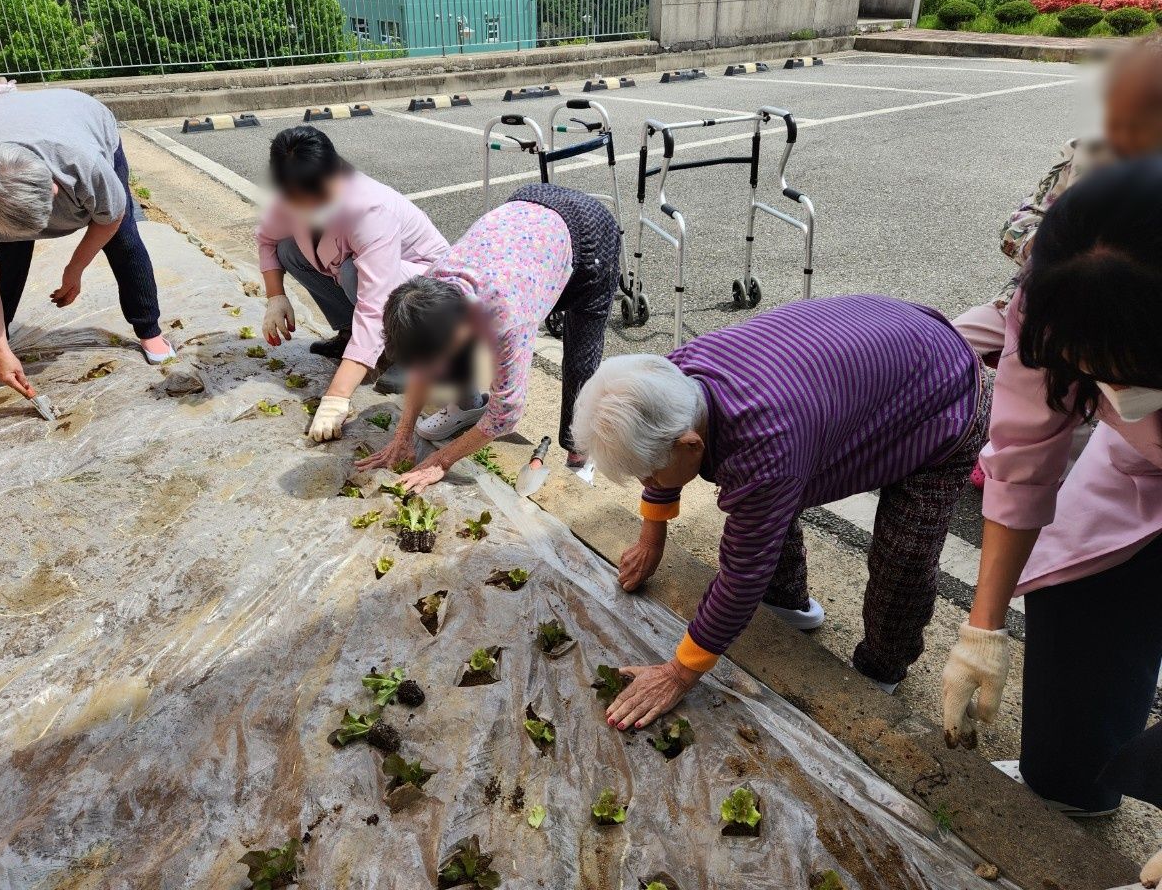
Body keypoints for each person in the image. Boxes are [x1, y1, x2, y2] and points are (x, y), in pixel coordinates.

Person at [571, 295, 989, 730]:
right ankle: (788, 603)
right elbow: (672, 459)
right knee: (765, 502)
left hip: (943, 391)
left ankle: (881, 669)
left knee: (903, 557)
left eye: (649, 477)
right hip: (873, 356)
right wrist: (650, 536)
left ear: (690, 444)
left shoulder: (766, 446)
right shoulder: (667, 378)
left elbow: (742, 574)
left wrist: (677, 674)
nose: (648, 486)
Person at [940, 159, 1162, 886]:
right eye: (1095, 371)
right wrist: (983, 628)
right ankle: (1075, 789)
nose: (1112, 391)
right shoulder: (1064, 287)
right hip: (1135, 477)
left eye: (1135, 373)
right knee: (1075, 603)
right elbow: (1026, 455)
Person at [357, 183, 620, 491]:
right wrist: (402, 436)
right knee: (450, 359)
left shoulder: (507, 316)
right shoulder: (425, 291)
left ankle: (578, 452)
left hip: (589, 237)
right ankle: (467, 406)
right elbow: (423, 364)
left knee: (579, 362)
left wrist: (441, 461)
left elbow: (505, 414)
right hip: (527, 219)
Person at [0, 88, 173, 396]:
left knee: (123, 240)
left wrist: (75, 268)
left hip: (81, 116)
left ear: (53, 189)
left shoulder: (84, 165)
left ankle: (150, 330)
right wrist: (1, 351)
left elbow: (111, 218)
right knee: (5, 255)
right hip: (4, 118)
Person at [953, 36, 1162, 363]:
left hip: (1134, 335)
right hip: (1033, 304)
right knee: (940, 347)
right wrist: (1056, 252)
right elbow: (1017, 225)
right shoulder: (1086, 151)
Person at [255, 126, 448, 441]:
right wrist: (275, 297)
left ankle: (410, 355)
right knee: (288, 249)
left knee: (352, 273)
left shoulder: (369, 210)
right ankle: (350, 335)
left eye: (317, 198)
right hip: (371, 281)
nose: (308, 208)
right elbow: (266, 239)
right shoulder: (292, 193)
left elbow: (374, 305)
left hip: (425, 295)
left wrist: (336, 396)